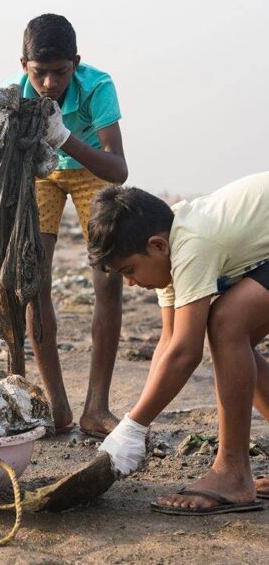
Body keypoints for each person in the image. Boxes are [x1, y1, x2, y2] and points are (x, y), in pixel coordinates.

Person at [86, 171, 269, 515]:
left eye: (129, 270)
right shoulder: (170, 244)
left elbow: (187, 352)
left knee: (227, 322)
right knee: (234, 345)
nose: (130, 282)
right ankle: (233, 470)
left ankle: (232, 472)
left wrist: (134, 425)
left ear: (157, 246)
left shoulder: (193, 244)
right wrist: (135, 422)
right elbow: (169, 343)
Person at [3, 14, 128, 435]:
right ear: (24, 65)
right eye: (40, 74)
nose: (50, 84)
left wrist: (64, 138)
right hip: (42, 172)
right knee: (34, 281)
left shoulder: (97, 87)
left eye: (60, 72)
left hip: (91, 169)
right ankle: (58, 407)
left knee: (108, 280)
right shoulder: (17, 94)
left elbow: (117, 169)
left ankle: (96, 408)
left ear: (75, 62)